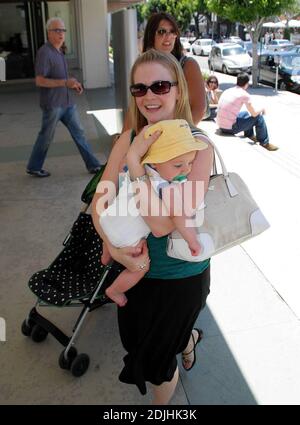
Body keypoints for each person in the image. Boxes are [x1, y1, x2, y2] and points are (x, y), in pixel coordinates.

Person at [92, 49, 213, 404]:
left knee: (158, 363)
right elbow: (99, 203)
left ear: (178, 90)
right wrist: (112, 247)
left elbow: (161, 226)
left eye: (160, 86)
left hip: (179, 277)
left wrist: (135, 163)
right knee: (135, 345)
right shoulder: (127, 139)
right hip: (133, 269)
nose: (149, 96)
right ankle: (187, 339)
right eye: (139, 89)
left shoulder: (197, 145)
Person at [100, 119, 208, 307]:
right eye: (178, 165)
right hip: (126, 236)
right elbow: (177, 216)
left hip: (107, 220)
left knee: (114, 226)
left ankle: (106, 253)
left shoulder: (139, 171)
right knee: (140, 268)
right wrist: (192, 241)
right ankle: (115, 290)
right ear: (156, 163)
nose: (186, 170)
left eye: (190, 162)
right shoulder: (165, 186)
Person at [26, 17, 101, 177]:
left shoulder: (59, 50)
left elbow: (62, 77)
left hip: (67, 103)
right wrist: (64, 82)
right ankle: (34, 166)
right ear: (49, 32)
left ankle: (93, 165)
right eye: (57, 30)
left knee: (79, 133)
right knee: (46, 136)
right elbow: (40, 80)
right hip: (53, 105)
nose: (61, 33)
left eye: (63, 30)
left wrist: (73, 83)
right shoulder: (44, 52)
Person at [216, 72, 278, 151]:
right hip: (230, 128)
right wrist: (262, 109)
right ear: (247, 83)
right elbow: (254, 114)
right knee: (259, 117)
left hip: (221, 125)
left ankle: (250, 135)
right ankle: (264, 142)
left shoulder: (228, 90)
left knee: (245, 113)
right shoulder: (244, 94)